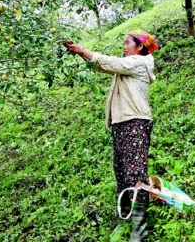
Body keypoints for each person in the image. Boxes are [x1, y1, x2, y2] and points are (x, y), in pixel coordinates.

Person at [64, 30, 159, 242]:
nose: (124, 47)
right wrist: (80, 53)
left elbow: (108, 62)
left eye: (128, 43)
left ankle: (139, 228)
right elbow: (102, 65)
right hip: (121, 123)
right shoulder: (127, 66)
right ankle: (124, 218)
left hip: (135, 121)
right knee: (122, 172)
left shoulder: (138, 63)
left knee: (136, 173)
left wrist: (82, 50)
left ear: (140, 47)